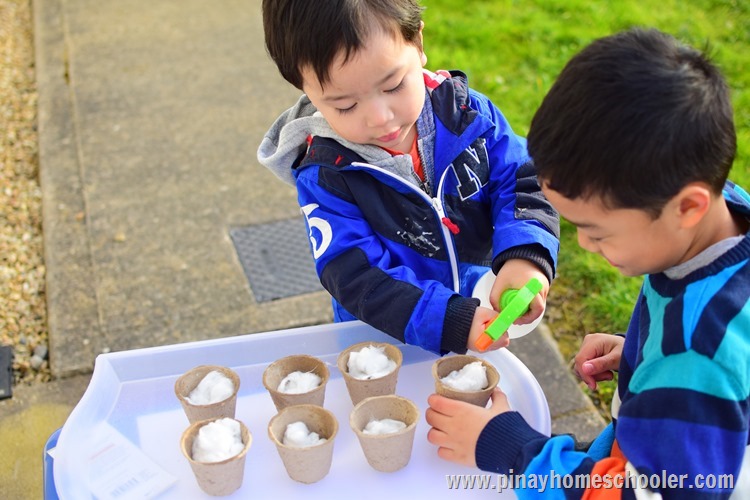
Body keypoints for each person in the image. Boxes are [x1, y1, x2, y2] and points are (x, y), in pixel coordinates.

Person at [426, 28, 750, 498]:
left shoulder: (692, 356)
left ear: (687, 208)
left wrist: (510, 449)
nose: (585, 244)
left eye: (599, 232)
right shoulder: (721, 225)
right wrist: (642, 358)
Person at [257, 0, 559, 355]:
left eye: (393, 85)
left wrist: (524, 254)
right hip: (384, 342)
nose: (380, 118)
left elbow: (522, 180)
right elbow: (354, 274)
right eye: (345, 106)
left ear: (417, 42)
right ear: (304, 87)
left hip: (480, 307)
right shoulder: (327, 176)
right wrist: (446, 319)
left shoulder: (470, 117)